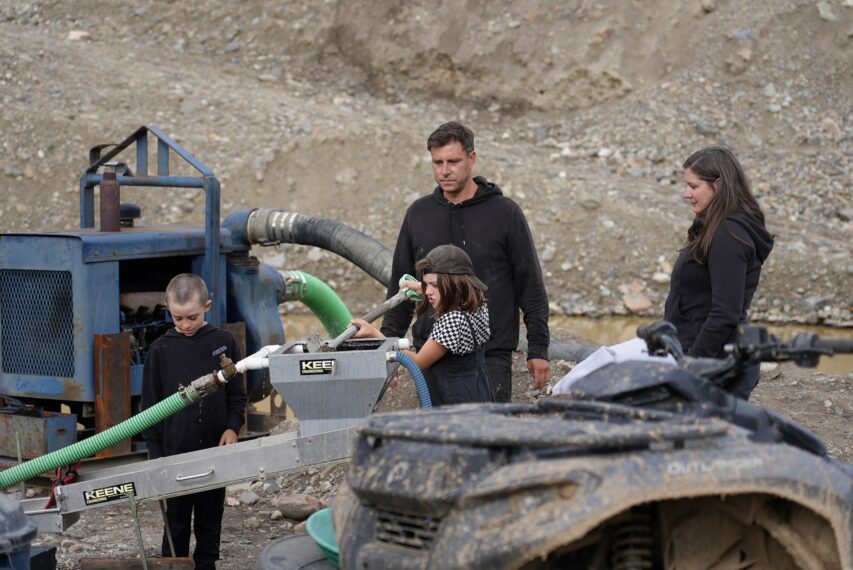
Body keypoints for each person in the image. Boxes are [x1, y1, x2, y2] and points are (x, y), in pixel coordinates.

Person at [380, 121, 550, 402]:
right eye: (437, 162)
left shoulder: (504, 213)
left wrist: (539, 350)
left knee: (486, 440)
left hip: (489, 354)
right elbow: (402, 288)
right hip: (429, 352)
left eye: (453, 161)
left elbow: (530, 284)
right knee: (437, 441)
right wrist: (388, 349)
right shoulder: (418, 214)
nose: (444, 170)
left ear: (472, 159)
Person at [141, 273, 247, 569]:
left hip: (214, 449)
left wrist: (232, 428)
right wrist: (155, 452)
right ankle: (173, 563)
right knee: (174, 519)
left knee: (210, 516)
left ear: (208, 307)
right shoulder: (160, 349)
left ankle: (206, 564)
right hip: (173, 453)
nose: (185, 325)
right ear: (168, 309)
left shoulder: (223, 343)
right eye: (178, 318)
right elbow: (149, 405)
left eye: (192, 317)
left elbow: (237, 394)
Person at [664, 146, 773, 399]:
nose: (686, 193)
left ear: (718, 184)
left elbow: (725, 313)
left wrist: (691, 364)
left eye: (693, 186)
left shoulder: (728, 236)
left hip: (718, 364)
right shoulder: (715, 227)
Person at [355, 245, 494, 405]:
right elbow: (448, 289)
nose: (428, 291)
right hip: (477, 390)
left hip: (453, 401)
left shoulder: (452, 320)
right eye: (426, 284)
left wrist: (376, 335)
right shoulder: (476, 301)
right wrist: (419, 287)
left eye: (434, 285)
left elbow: (418, 362)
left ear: (454, 284)